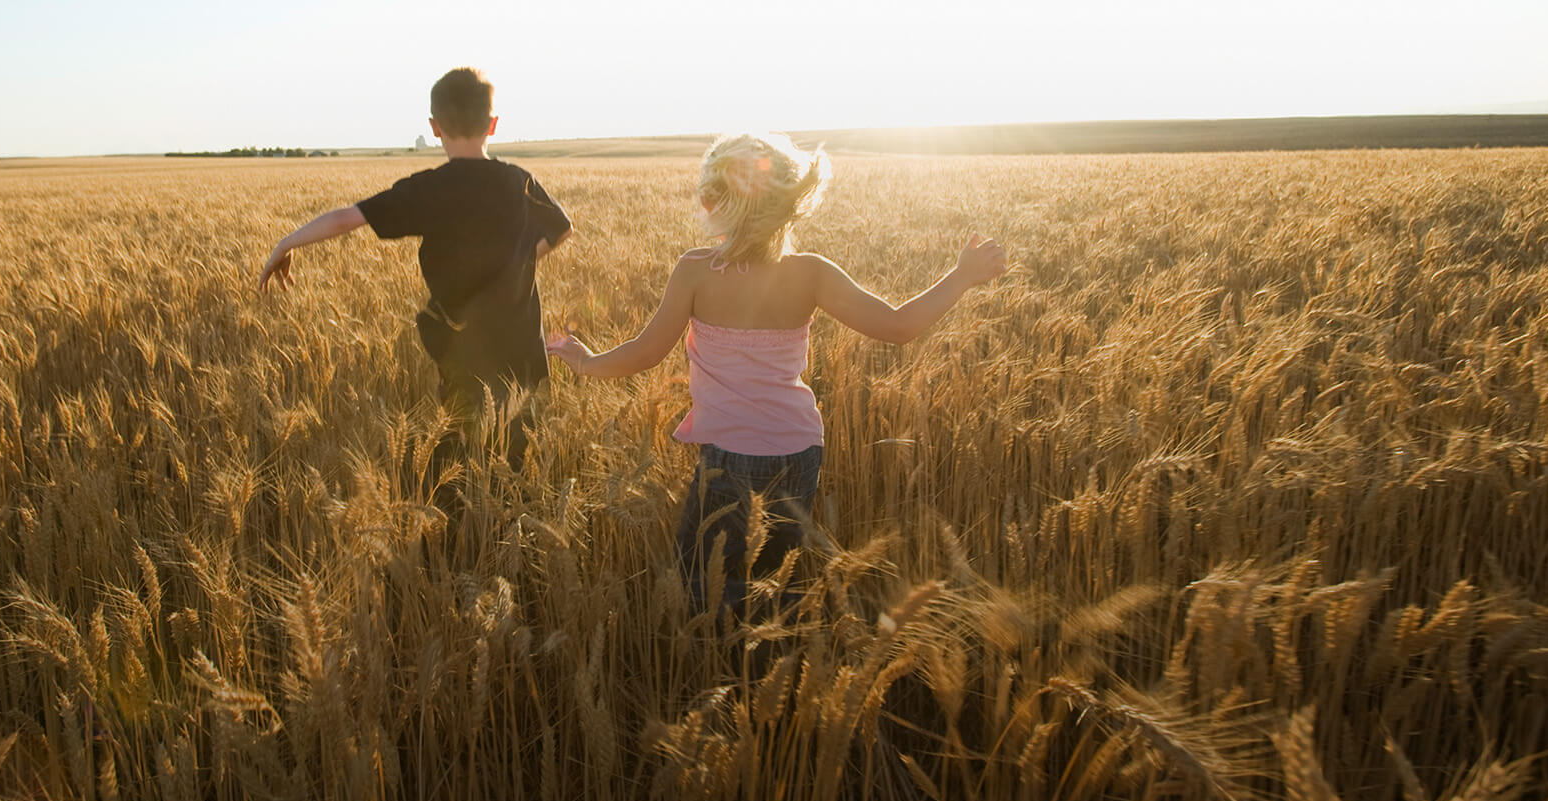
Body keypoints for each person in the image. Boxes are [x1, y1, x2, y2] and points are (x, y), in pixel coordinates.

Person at [547, 132, 1005, 620]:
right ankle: (801, 626)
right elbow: (898, 326)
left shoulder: (696, 271)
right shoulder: (810, 272)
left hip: (729, 458)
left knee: (696, 583)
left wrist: (585, 359)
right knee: (771, 573)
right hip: (799, 452)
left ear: (718, 203)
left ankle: (799, 624)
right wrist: (960, 277)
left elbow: (645, 352)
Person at [258, 67, 572, 475]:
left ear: (435, 126)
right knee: (515, 465)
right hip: (522, 352)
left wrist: (286, 242)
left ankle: (459, 526)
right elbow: (562, 228)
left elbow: (348, 218)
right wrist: (521, 260)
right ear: (493, 124)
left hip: (461, 349)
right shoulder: (518, 181)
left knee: (460, 457)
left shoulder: (427, 189)